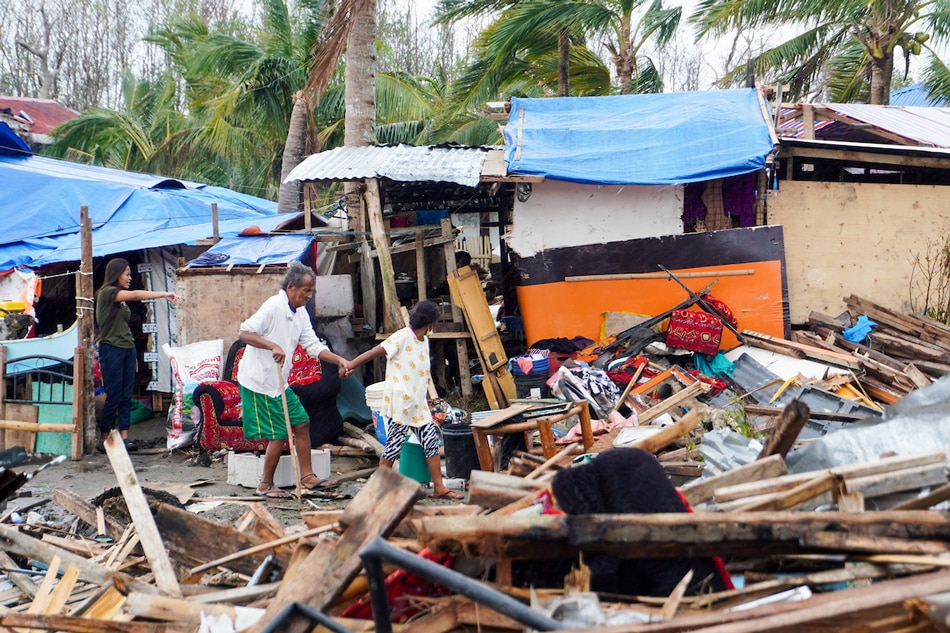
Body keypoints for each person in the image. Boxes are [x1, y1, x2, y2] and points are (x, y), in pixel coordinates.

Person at [237, 261, 351, 499]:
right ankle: (265, 485)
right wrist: (272, 345)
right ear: (291, 287)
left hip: (279, 383)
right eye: (306, 291)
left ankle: (307, 477)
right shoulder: (273, 306)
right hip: (260, 382)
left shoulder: (300, 313)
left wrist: (339, 360)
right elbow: (245, 333)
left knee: (302, 423)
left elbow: (312, 345)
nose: (309, 296)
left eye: (311, 291)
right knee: (279, 433)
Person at [347, 300, 463, 499]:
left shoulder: (424, 342)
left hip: (418, 405)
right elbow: (375, 352)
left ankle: (439, 487)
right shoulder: (401, 337)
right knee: (393, 445)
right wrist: (350, 365)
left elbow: (421, 374)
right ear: (430, 322)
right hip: (401, 403)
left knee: (430, 443)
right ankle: (377, 490)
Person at [95, 258, 179, 452]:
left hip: (127, 349)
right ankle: (104, 438)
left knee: (126, 396)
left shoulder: (120, 300)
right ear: (116, 274)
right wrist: (163, 293)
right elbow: (134, 295)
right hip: (111, 349)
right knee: (114, 396)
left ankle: (124, 438)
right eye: (127, 274)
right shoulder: (107, 293)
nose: (130, 277)